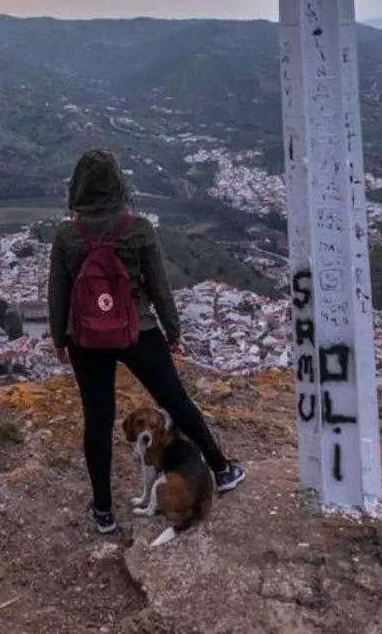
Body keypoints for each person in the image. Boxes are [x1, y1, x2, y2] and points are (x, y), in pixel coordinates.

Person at [48, 148, 244, 533]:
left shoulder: (67, 235)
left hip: (86, 340)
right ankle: (221, 470)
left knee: (98, 421)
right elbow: (159, 287)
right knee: (175, 401)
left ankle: (103, 510)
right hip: (139, 331)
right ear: (119, 183)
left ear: (78, 188)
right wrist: (172, 331)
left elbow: (58, 293)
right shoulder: (137, 228)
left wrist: (59, 338)